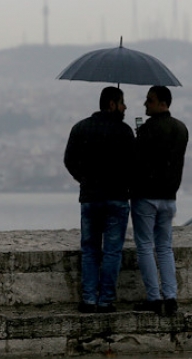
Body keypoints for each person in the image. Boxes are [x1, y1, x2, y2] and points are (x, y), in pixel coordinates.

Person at [64, 86, 134, 314]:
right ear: (111, 104)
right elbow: (134, 164)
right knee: (113, 251)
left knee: (90, 250)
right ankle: (106, 301)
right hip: (117, 198)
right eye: (122, 102)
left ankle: (89, 300)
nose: (125, 107)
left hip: (91, 197)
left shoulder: (80, 128)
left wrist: (83, 179)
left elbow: (69, 160)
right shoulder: (124, 132)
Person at [131, 86, 188, 317]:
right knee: (165, 247)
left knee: (145, 246)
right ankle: (171, 297)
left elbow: (137, 160)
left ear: (162, 103)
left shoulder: (148, 130)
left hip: (146, 196)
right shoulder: (181, 129)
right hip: (169, 197)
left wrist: (139, 135)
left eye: (150, 100)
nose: (146, 104)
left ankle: (154, 298)